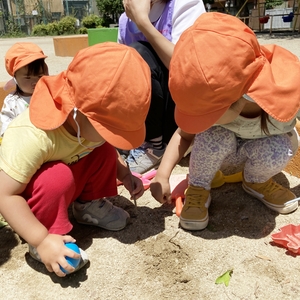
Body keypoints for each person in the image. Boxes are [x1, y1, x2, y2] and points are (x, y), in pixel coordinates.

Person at [0, 42, 151, 277]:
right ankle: (50, 233)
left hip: (70, 181)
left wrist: (125, 175)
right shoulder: (32, 135)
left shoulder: (88, 126)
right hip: (30, 198)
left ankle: (86, 207)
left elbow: (104, 146)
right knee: (56, 176)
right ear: (77, 110)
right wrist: (40, 240)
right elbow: (5, 194)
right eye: (108, 127)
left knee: (102, 148)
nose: (112, 135)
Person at [150, 12, 300, 231]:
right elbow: (184, 133)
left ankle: (256, 182)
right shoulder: (225, 98)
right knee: (214, 133)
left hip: (256, 160)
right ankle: (199, 187)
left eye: (206, 113)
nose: (198, 118)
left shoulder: (280, 99)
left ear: (240, 97)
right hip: (217, 162)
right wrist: (162, 175)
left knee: (278, 146)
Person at [118, 0, 206, 174]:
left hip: (179, 114)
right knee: (120, 61)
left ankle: (154, 146)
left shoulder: (185, 4)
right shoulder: (125, 20)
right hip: (147, 112)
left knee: (139, 53)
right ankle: (135, 139)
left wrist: (143, 23)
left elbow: (186, 69)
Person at [0, 42, 48, 137]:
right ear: (15, 77)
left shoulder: (49, 95)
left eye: (39, 76)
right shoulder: (12, 102)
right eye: (27, 78)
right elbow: (6, 127)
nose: (35, 82)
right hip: (22, 142)